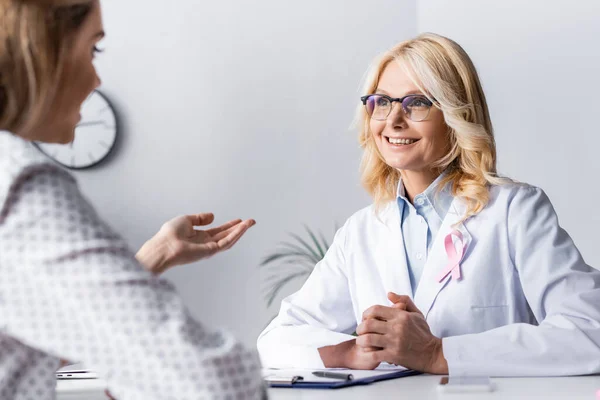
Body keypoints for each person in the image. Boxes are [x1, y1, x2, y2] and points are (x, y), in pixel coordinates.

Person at [257, 33, 600, 377]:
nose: (393, 120)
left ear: (457, 115)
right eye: (382, 101)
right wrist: (351, 351)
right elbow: (276, 337)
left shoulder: (514, 212)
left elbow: (590, 333)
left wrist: (437, 353)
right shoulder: (361, 232)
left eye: (417, 102)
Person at [0, 1, 264, 398]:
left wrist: (156, 254)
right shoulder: (19, 181)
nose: (96, 80)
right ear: (41, 51)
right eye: (93, 50)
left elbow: (19, 334)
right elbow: (214, 382)